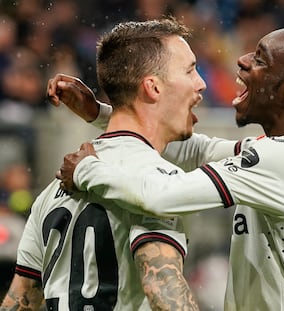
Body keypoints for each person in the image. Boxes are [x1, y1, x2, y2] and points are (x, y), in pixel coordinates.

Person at [55, 25, 284, 310]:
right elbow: (198, 150)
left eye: (260, 59)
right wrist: (102, 113)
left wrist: (87, 170)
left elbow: (163, 196)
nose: (242, 60)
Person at [1, 18, 204, 311]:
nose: (201, 83)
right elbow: (163, 290)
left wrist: (97, 112)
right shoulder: (158, 184)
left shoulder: (53, 190)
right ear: (153, 88)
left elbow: (20, 301)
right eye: (190, 70)